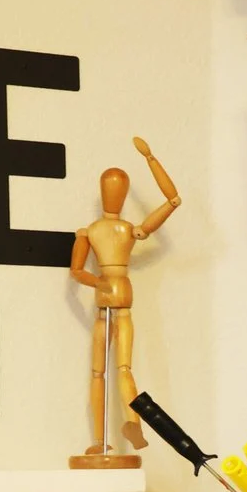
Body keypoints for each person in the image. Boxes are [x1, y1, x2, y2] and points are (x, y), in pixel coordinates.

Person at [68, 137, 180, 463]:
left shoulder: (90, 230)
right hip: (123, 289)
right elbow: (172, 201)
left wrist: (97, 281)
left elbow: (77, 272)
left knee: (98, 371)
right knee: (123, 367)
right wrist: (151, 158)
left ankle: (102, 439)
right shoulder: (130, 230)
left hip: (104, 290)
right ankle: (131, 424)